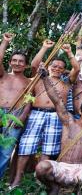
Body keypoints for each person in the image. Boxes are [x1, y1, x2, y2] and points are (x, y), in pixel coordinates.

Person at [11, 43, 80, 187]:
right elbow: (35, 63)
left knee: (48, 149)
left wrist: (69, 52)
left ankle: (39, 179)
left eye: (60, 67)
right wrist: (44, 48)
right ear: (49, 67)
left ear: (63, 71)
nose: (57, 69)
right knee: (25, 147)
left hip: (55, 116)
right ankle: (17, 180)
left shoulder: (66, 82)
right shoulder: (39, 78)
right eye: (54, 66)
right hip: (36, 113)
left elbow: (77, 68)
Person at [35, 66, 82, 194]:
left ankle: (75, 190)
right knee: (41, 167)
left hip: (80, 169)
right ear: (80, 111)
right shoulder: (69, 121)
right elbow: (56, 100)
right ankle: (54, 187)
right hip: (61, 166)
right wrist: (45, 78)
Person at [0, 33, 31, 178]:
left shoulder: (29, 81)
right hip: (0, 111)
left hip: (15, 115)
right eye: (14, 60)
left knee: (6, 151)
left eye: (21, 61)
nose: (17, 63)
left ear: (25, 65)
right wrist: (5, 42)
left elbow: (29, 101)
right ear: (10, 62)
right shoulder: (3, 75)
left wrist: (22, 118)